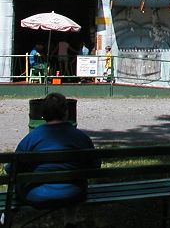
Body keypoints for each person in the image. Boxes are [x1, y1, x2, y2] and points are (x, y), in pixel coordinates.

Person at [4, 93, 99, 228]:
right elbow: (95, 166)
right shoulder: (80, 137)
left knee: (17, 183)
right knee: (75, 179)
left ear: (43, 114)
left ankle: (6, 220)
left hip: (36, 194)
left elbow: (11, 169)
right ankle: (70, 222)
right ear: (66, 113)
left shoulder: (32, 138)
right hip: (73, 193)